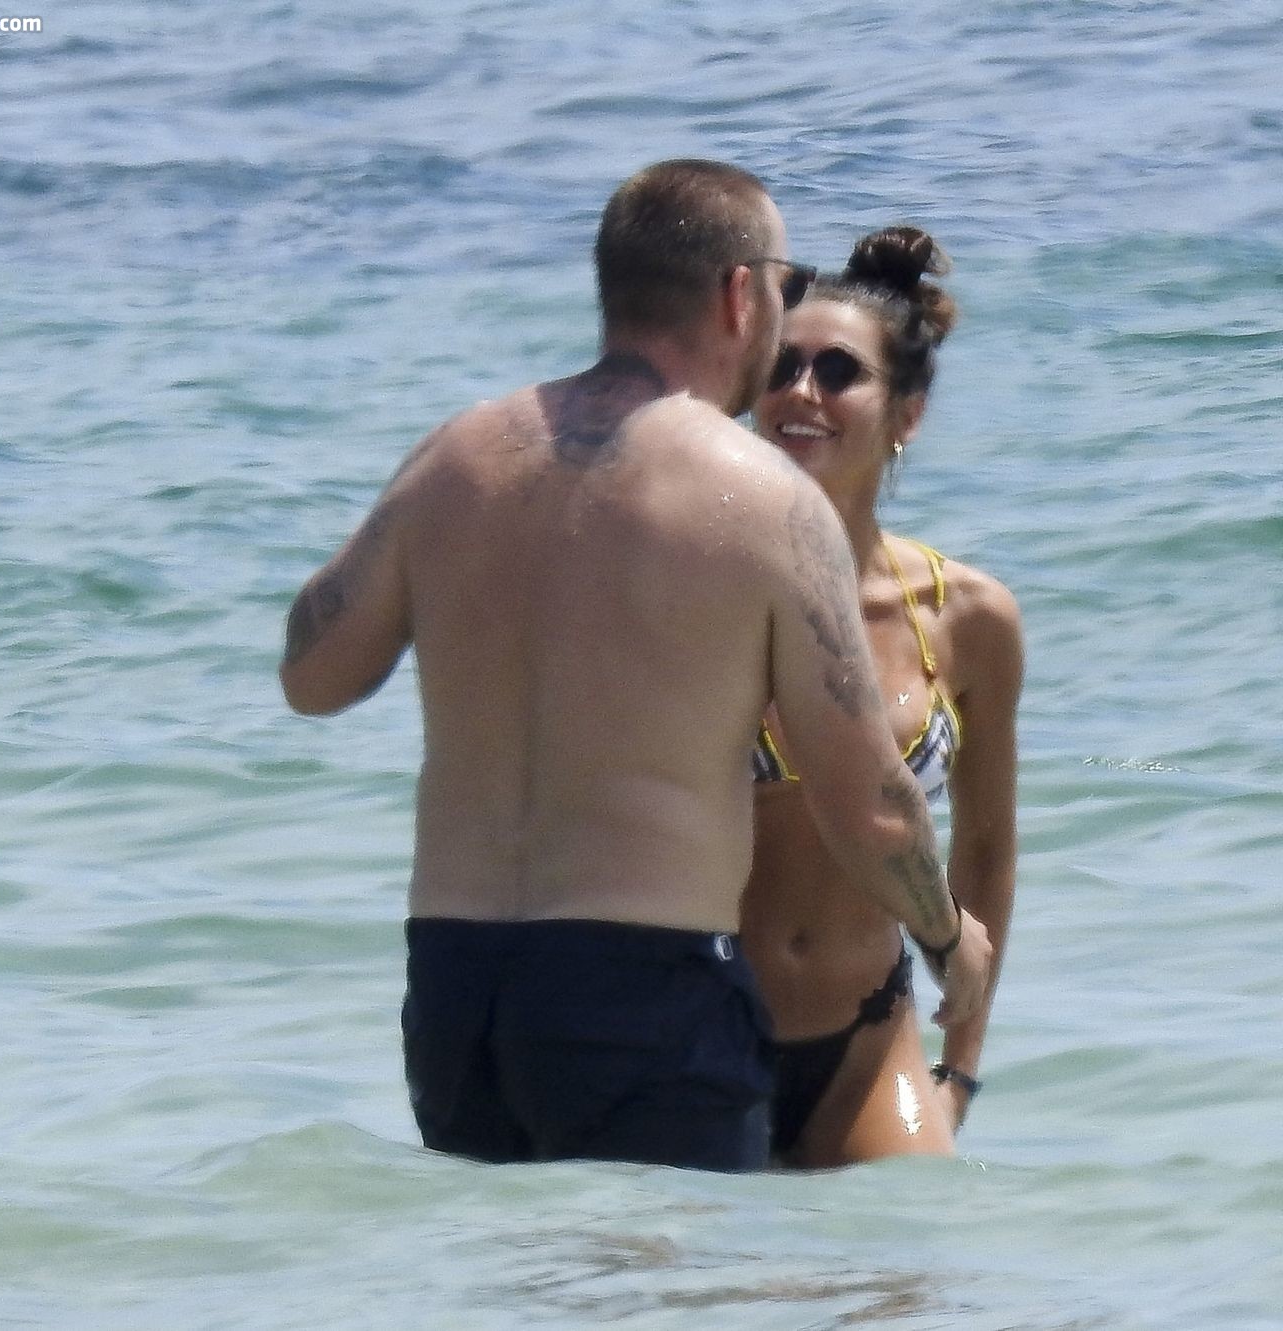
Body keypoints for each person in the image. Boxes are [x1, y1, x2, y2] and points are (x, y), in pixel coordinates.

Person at [277, 162, 992, 1172]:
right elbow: (867, 800)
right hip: (644, 984)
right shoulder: (762, 498)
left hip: (455, 985)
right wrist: (947, 935)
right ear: (740, 294)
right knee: (669, 1266)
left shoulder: (455, 457)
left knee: (515, 1262)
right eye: (785, 288)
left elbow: (312, 675)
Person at [742, 226, 1024, 1168]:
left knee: (916, 1256)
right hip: (696, 1031)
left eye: (838, 372)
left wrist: (961, 1070)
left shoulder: (969, 616)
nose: (801, 392)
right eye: (780, 367)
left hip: (868, 1042)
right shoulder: (693, 592)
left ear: (907, 412)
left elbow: (985, 845)